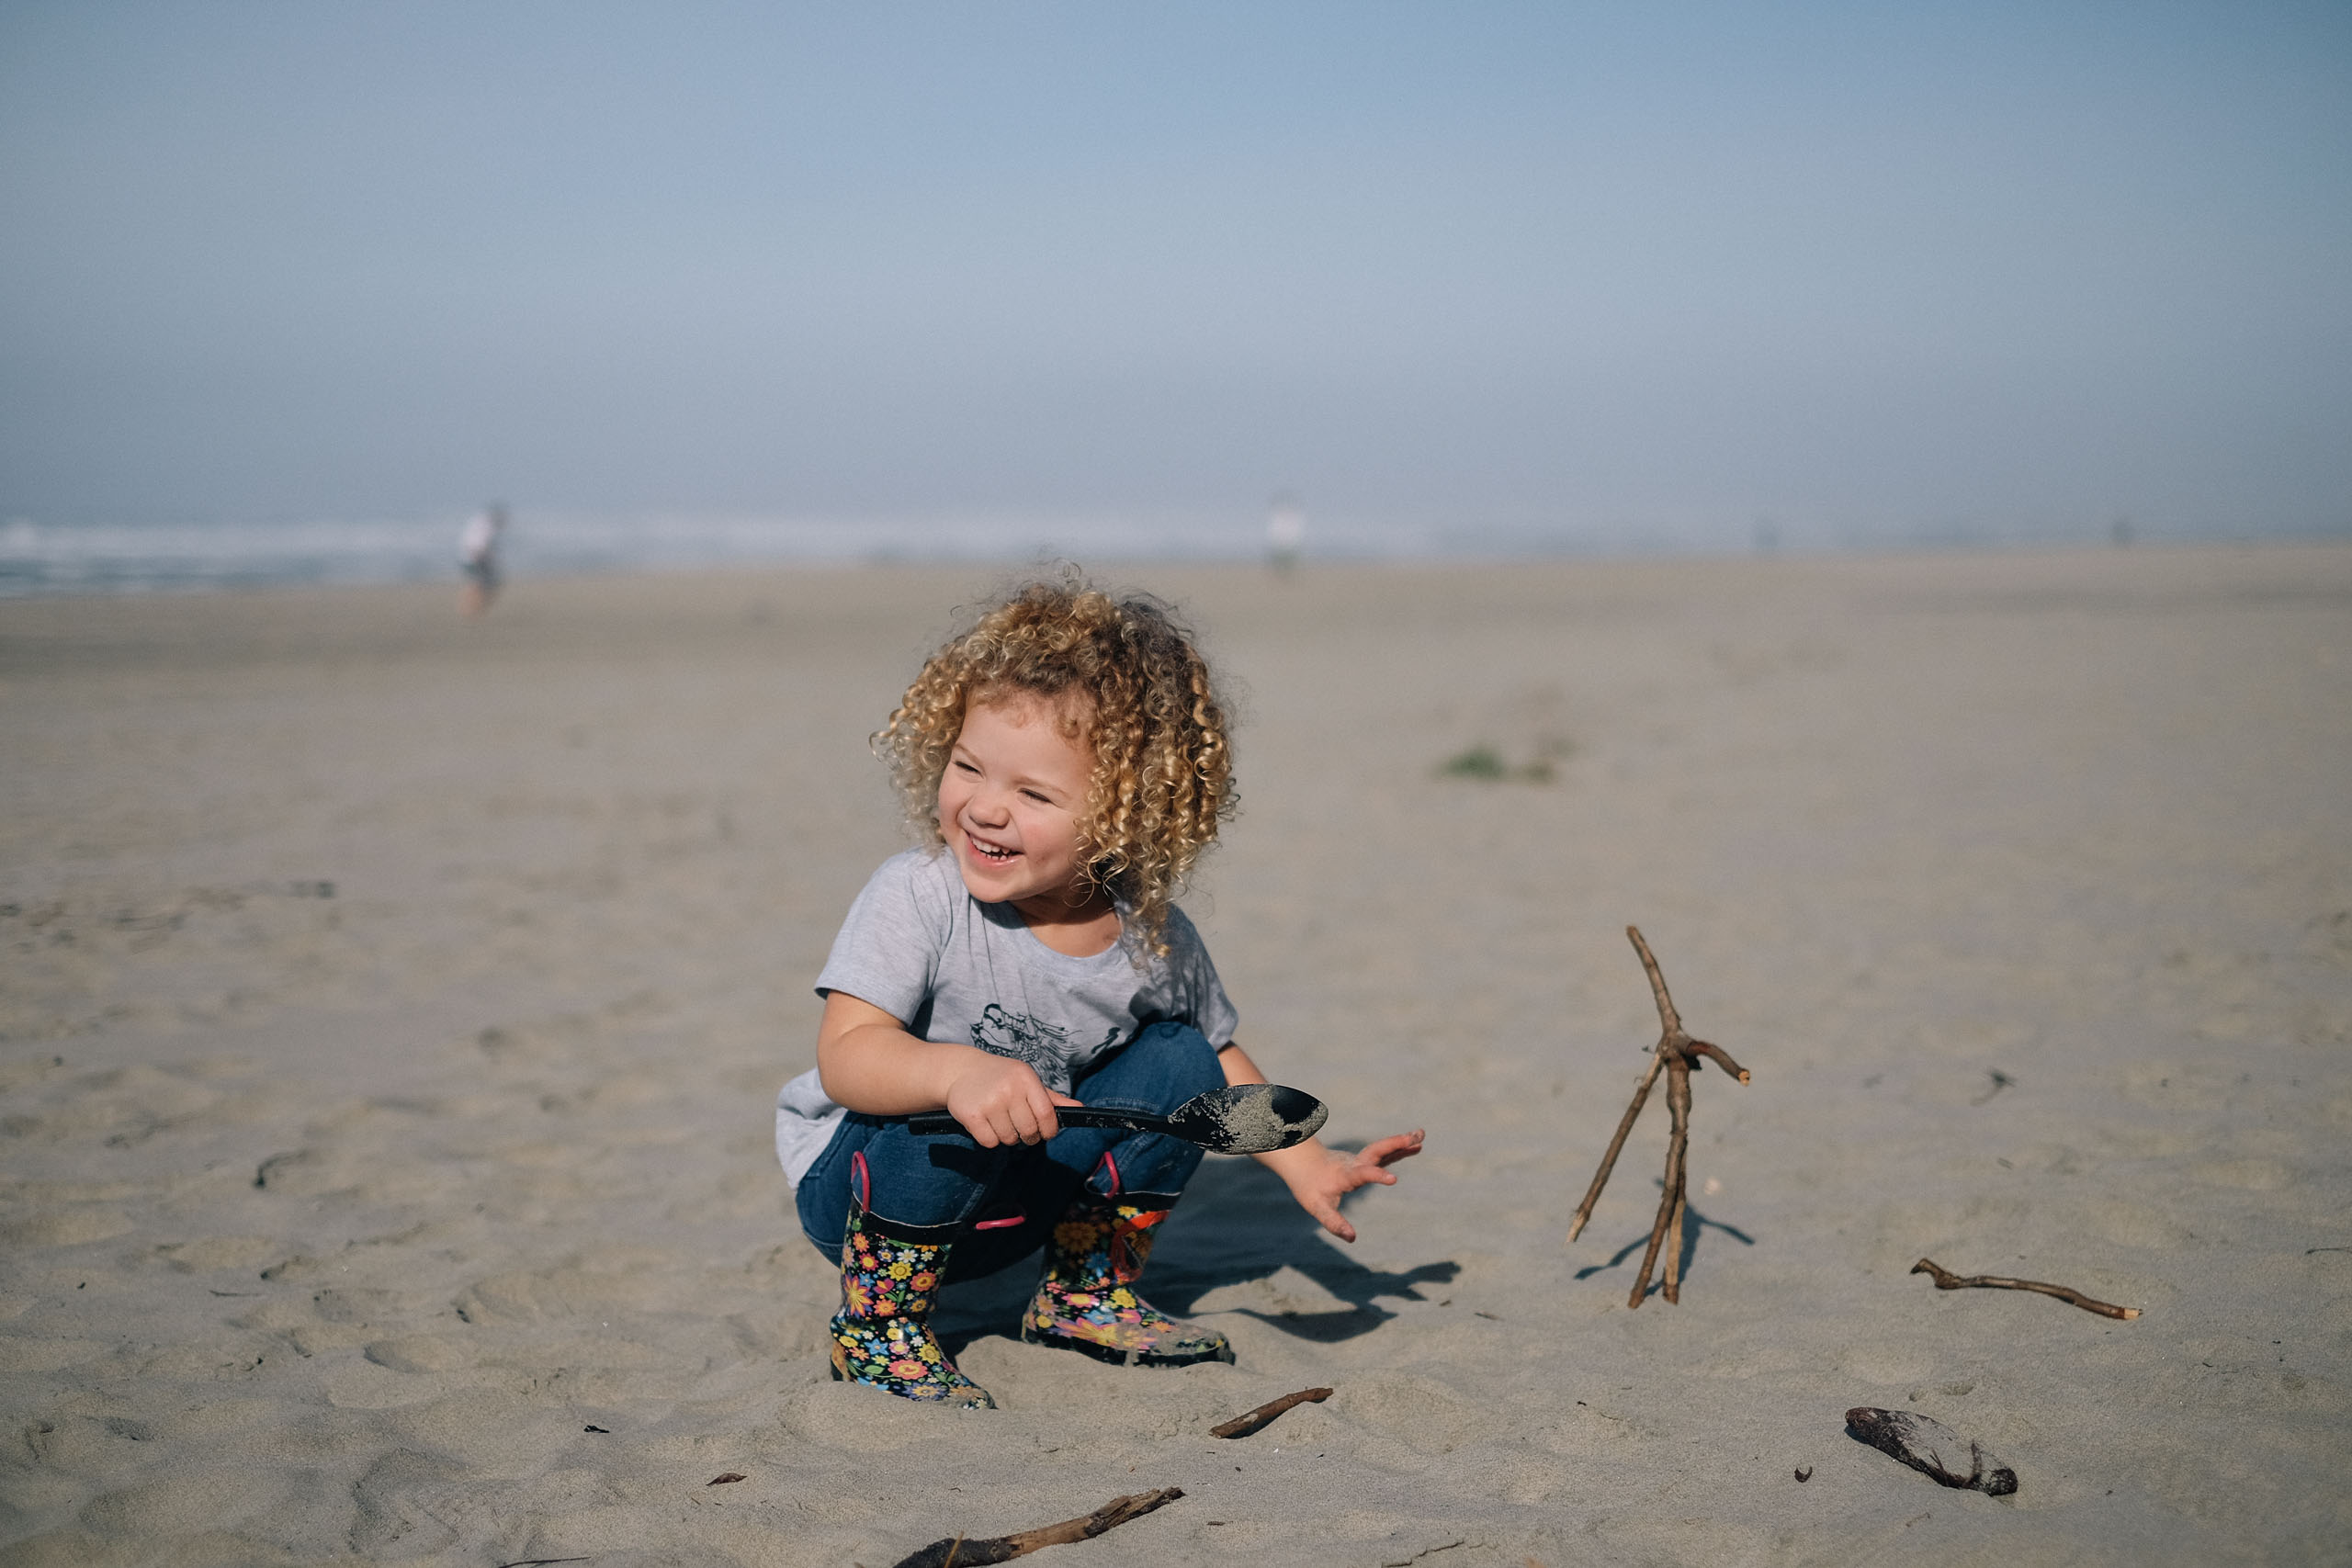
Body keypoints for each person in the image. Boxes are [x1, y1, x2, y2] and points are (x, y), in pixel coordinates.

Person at [775, 574, 1424, 1407]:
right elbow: (847, 1055)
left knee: (1183, 1052)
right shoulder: (918, 895)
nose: (984, 808)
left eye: (1033, 793)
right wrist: (956, 1073)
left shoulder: (1153, 935)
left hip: (1019, 1196)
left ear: (1127, 813)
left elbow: (1220, 1062)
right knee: (936, 1104)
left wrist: (1306, 1164)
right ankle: (878, 1326)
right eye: (968, 766)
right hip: (869, 1199)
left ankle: (1083, 1290)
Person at [457, 503, 506, 616]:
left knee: (483, 585)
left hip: (472, 559)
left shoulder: (481, 524)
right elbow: (478, 546)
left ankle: (472, 610)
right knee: (478, 585)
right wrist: (484, 561)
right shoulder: (486, 527)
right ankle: (469, 610)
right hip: (475, 560)